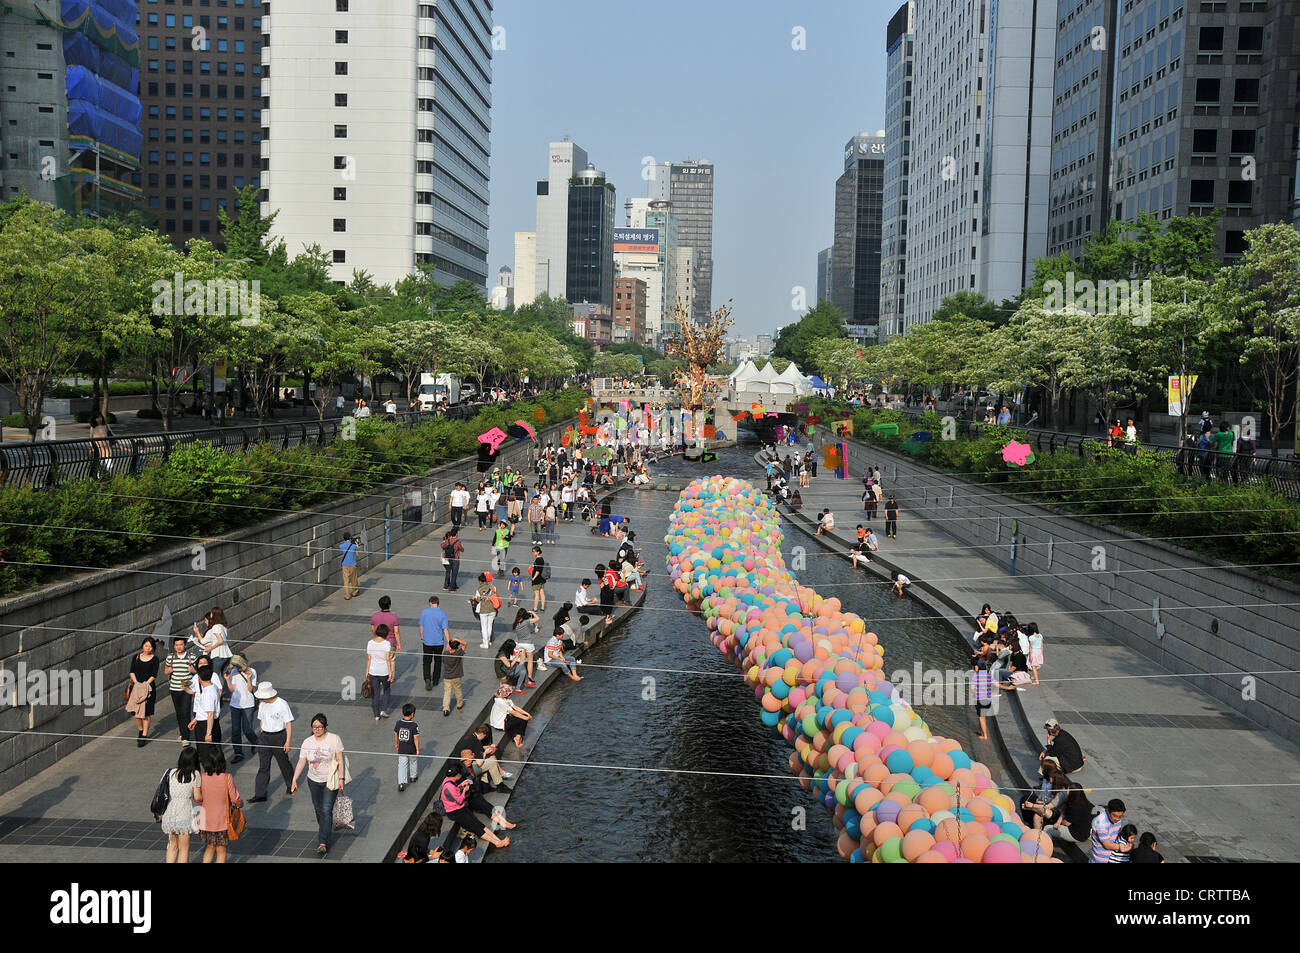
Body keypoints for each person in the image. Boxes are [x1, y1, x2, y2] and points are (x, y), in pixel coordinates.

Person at [291, 713, 346, 858]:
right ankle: (325, 829)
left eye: (320, 727)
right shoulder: (307, 742)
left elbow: (340, 759)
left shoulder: (334, 739)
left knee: (326, 809)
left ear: (325, 727)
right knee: (318, 809)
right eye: (314, 727)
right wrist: (294, 779)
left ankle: (322, 842)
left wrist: (341, 778)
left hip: (330, 780)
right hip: (313, 780)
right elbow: (302, 761)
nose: (317, 729)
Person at [438, 763, 510, 850]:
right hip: (455, 812)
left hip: (460, 809)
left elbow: (455, 792)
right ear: (457, 775)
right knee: (476, 828)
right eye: (460, 774)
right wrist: (464, 790)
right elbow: (459, 801)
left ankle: (498, 840)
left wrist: (461, 785)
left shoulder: (448, 780)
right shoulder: (449, 787)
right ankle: (497, 843)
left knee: (479, 824)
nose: (461, 776)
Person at [248, 682, 294, 803]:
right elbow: (261, 719)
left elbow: (288, 723)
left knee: (284, 763)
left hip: (279, 737)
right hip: (265, 738)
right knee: (263, 766)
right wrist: (263, 728)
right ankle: (260, 793)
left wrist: (288, 741)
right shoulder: (262, 704)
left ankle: (291, 785)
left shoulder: (282, 704)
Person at [158, 746, 203, 864]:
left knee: (172, 845)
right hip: (184, 814)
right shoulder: (195, 774)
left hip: (169, 812)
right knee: (184, 849)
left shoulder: (170, 772)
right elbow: (197, 797)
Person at [197, 747, 242, 864]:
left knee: (210, 847)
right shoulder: (227, 777)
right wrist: (239, 804)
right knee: (221, 850)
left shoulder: (202, 777)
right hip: (222, 821)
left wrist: (205, 803)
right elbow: (234, 798)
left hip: (206, 820)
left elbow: (198, 798)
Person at [191, 607, 233, 698]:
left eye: (211, 613)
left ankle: (214, 694)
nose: (210, 615)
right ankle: (227, 695)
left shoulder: (215, 627)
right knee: (226, 675)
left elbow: (220, 640)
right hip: (227, 654)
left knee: (213, 675)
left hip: (218, 654)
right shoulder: (223, 626)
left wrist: (211, 648)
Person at [225, 655, 259, 763]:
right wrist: (227, 680)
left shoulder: (252, 671)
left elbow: (250, 689)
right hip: (235, 704)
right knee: (235, 730)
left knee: (247, 729)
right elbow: (232, 689)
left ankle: (256, 742)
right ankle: (238, 752)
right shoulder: (233, 672)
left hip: (248, 704)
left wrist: (248, 678)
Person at [126, 637, 159, 747]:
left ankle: (144, 735)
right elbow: (131, 671)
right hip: (136, 688)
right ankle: (141, 730)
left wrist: (145, 685)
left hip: (148, 689)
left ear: (153, 647)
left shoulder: (155, 659)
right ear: (142, 646)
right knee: (136, 714)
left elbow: (154, 675)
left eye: (150, 646)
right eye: (146, 645)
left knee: (146, 714)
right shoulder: (136, 657)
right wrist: (137, 683)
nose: (147, 648)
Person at [164, 636, 197, 742]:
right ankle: (182, 732)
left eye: (181, 644)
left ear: (185, 645)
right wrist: (169, 670)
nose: (178, 647)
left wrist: (193, 670)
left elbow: (197, 671)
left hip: (187, 688)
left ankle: (186, 737)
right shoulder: (171, 657)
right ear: (174, 646)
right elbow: (166, 671)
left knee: (185, 712)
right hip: (174, 688)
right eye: (176, 645)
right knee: (179, 712)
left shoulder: (191, 657)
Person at [1047, 782, 1096, 848]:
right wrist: (1058, 821)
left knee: (1047, 829)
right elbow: (1064, 811)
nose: (1067, 791)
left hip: (1077, 834)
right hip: (1080, 829)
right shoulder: (1081, 800)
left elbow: (1066, 823)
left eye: (1069, 790)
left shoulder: (1076, 806)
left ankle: (1047, 848)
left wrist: (1059, 822)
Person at [188, 663, 222, 754]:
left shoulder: (208, 693)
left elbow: (210, 714)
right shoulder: (213, 687)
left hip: (206, 724)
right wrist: (195, 720)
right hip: (204, 721)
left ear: (199, 678)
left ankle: (210, 768)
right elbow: (203, 708)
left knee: (206, 753)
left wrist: (208, 734)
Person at [489, 680, 532, 750]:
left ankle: (517, 736)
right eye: (506, 692)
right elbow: (513, 712)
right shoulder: (500, 702)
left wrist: (526, 713)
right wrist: (526, 718)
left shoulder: (506, 700)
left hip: (504, 718)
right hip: (499, 723)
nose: (508, 694)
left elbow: (515, 707)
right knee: (523, 720)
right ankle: (517, 737)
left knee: (521, 718)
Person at [418, 595, 449, 692]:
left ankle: (427, 678)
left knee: (426, 662)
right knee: (438, 661)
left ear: (430, 603)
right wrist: (449, 642)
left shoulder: (425, 612)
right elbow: (445, 629)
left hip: (427, 642)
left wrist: (422, 636)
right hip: (439, 642)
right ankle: (435, 680)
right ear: (438, 603)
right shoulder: (443, 614)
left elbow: (421, 626)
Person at [365, 625, 394, 721]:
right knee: (386, 690)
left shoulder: (370, 643)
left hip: (373, 671)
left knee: (376, 693)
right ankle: (384, 709)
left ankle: (376, 715)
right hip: (384, 671)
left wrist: (367, 671)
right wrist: (390, 673)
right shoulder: (386, 644)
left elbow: (369, 658)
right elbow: (388, 659)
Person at [1090, 798, 1129, 863]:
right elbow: (1107, 845)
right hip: (1101, 859)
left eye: (1120, 816)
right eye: (1114, 816)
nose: (1117, 819)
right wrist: (1125, 847)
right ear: (1108, 811)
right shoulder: (1101, 823)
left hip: (1113, 856)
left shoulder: (1117, 819)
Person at [395, 703, 420, 792]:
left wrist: (396, 743)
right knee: (413, 761)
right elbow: (415, 738)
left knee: (402, 765)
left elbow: (396, 734)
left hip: (402, 749)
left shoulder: (398, 723)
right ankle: (413, 776)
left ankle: (401, 783)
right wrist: (417, 749)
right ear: (413, 714)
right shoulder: (414, 725)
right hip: (411, 749)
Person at [471, 573, 500, 649]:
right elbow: (495, 595)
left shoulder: (479, 589)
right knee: (489, 626)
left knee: (484, 627)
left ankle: (485, 643)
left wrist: (474, 598)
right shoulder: (493, 587)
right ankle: (489, 641)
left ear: (480, 581)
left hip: (484, 609)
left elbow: (479, 599)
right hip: (492, 609)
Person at [441, 637, 466, 717]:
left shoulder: (445, 654)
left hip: (447, 677)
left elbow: (444, 661)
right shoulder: (458, 653)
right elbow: (465, 644)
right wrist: (457, 639)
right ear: (457, 647)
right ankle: (459, 704)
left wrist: (450, 644)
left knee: (447, 693)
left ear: (449, 646)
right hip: (456, 676)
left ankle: (446, 708)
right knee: (458, 690)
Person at [972, 659, 994, 741]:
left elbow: (972, 689)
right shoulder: (989, 675)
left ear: (977, 667)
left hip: (980, 699)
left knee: (981, 717)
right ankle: (979, 730)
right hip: (988, 699)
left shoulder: (976, 676)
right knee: (982, 715)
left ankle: (985, 736)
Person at [339, 534, 361, 599]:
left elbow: (342, 547)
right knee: (354, 579)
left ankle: (347, 596)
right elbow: (357, 555)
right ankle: (354, 592)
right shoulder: (354, 546)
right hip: (352, 564)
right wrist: (357, 545)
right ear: (350, 538)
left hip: (344, 565)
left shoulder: (341, 546)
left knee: (346, 581)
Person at [530, 545, 548, 611]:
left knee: (536, 594)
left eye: (534, 552)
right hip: (542, 579)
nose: (533, 553)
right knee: (542, 593)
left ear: (538, 552)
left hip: (537, 579)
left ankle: (535, 608)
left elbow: (538, 571)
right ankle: (542, 608)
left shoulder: (538, 560)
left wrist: (533, 578)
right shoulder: (541, 559)